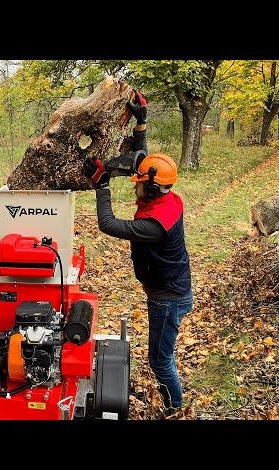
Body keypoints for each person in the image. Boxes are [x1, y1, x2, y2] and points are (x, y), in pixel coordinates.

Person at [82, 91, 193, 415]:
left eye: (138, 183)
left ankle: (175, 408)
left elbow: (108, 224)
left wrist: (101, 184)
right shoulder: (166, 198)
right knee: (160, 356)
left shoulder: (154, 225)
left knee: (160, 359)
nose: (134, 185)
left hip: (168, 298)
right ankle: (171, 399)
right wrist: (141, 124)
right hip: (167, 291)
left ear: (153, 188)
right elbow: (142, 161)